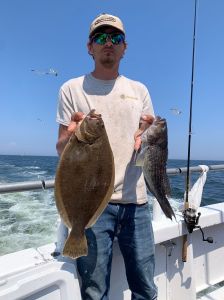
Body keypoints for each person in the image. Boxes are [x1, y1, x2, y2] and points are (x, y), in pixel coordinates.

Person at [56, 13, 157, 300]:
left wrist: (148, 138)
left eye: (116, 37)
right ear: (90, 47)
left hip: (135, 204)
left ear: (125, 47)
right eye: (100, 37)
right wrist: (70, 136)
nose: (108, 43)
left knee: (146, 289)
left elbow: (146, 146)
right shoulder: (71, 89)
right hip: (91, 212)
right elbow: (62, 148)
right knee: (94, 290)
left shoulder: (140, 91)